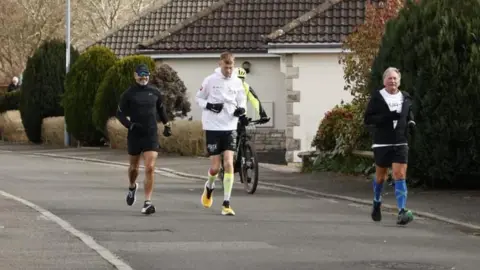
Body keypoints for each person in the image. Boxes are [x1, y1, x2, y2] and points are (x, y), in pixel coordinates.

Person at [116, 64, 172, 215]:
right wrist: (129, 125)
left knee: (150, 167)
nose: (144, 78)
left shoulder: (154, 92)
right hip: (135, 134)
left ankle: (148, 202)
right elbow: (119, 114)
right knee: (134, 168)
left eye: (146, 75)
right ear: (135, 76)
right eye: (141, 75)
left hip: (151, 134)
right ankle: (132, 186)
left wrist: (167, 125)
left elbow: (161, 110)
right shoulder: (129, 93)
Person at [196, 52, 247, 216]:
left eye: (231, 67)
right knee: (215, 167)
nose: (229, 70)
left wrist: (241, 109)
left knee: (229, 163)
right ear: (220, 64)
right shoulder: (210, 80)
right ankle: (209, 187)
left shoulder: (237, 82)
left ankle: (226, 203)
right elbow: (199, 98)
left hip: (230, 126)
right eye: (226, 67)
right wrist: (210, 106)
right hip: (212, 126)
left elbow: (242, 100)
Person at [364, 67, 416, 225]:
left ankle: (401, 211)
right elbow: (368, 119)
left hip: (400, 141)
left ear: (399, 81)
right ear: (384, 81)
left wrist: (411, 122)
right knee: (381, 177)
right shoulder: (378, 97)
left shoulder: (405, 97)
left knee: (400, 175)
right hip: (382, 142)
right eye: (389, 78)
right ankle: (377, 200)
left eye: (395, 78)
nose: (392, 81)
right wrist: (386, 117)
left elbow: (408, 112)